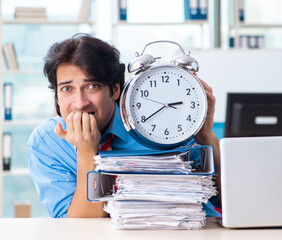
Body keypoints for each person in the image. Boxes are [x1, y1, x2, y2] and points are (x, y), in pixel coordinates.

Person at [28, 34, 221, 218]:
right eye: (67, 89)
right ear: (57, 97)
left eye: (91, 86)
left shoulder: (159, 126)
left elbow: (222, 198)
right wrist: (87, 152)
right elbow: (78, 227)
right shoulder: (46, 142)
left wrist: (206, 137)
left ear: (115, 90)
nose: (80, 103)